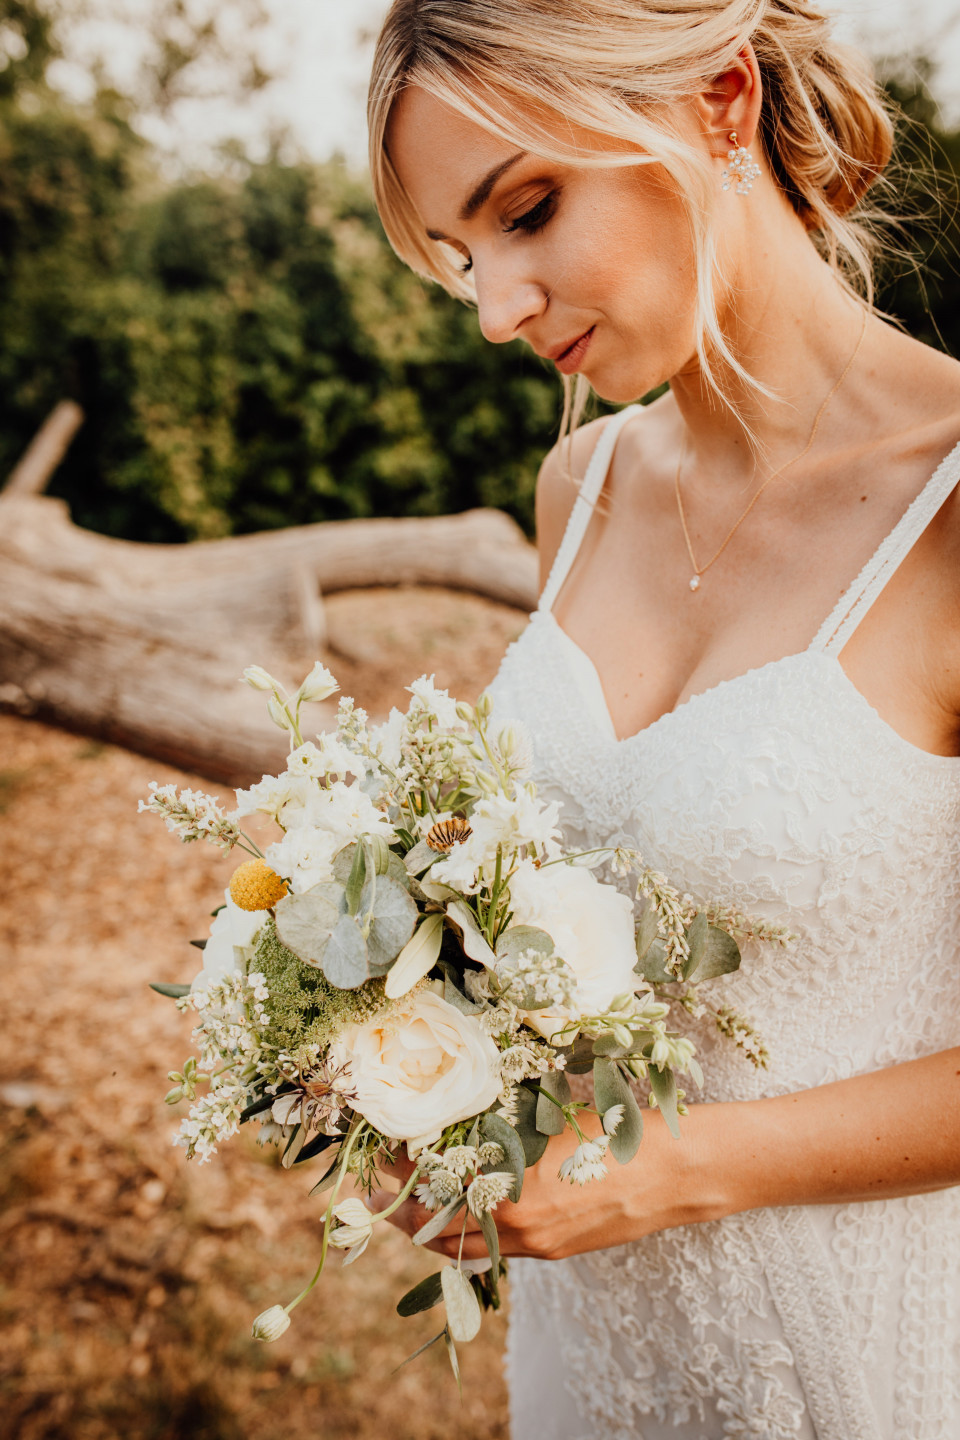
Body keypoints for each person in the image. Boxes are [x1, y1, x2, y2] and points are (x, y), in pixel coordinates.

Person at [366, 2, 960, 1435]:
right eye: (462, 258)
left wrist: (682, 1165)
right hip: (591, 1358)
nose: (498, 308)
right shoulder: (580, 490)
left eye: (526, 211)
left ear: (720, 99)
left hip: (853, 1364)